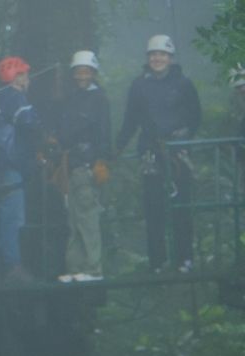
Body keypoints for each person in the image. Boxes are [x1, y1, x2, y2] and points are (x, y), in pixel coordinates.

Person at [117, 34, 202, 274]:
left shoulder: (184, 84)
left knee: (181, 206)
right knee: (153, 207)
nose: (157, 58)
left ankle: (185, 259)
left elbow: (195, 116)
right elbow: (130, 121)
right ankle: (157, 260)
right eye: (153, 54)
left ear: (170, 58)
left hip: (177, 153)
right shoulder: (139, 85)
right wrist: (116, 147)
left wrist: (184, 137)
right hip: (151, 153)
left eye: (162, 54)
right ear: (148, 58)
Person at [0, 55, 42, 283]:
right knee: (11, 219)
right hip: (9, 168)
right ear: (19, 77)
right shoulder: (16, 98)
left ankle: (1, 268)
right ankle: (13, 268)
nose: (28, 80)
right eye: (25, 75)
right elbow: (31, 122)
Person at [54, 50, 112, 283]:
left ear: (93, 73)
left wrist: (99, 160)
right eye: (78, 71)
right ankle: (75, 268)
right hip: (73, 165)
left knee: (87, 217)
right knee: (74, 220)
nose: (81, 76)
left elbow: (103, 133)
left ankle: (93, 268)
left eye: (86, 71)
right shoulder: (74, 98)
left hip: (86, 164)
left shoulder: (98, 99)